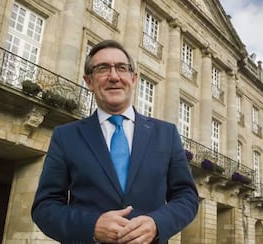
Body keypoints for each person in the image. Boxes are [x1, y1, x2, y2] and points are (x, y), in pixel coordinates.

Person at [31, 40, 199, 244]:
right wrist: (91, 226)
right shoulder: (66, 136)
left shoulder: (166, 134)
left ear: (133, 78)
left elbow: (187, 196)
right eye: (102, 68)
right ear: (89, 81)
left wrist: (157, 223)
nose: (113, 76)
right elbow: (45, 206)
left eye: (121, 68)